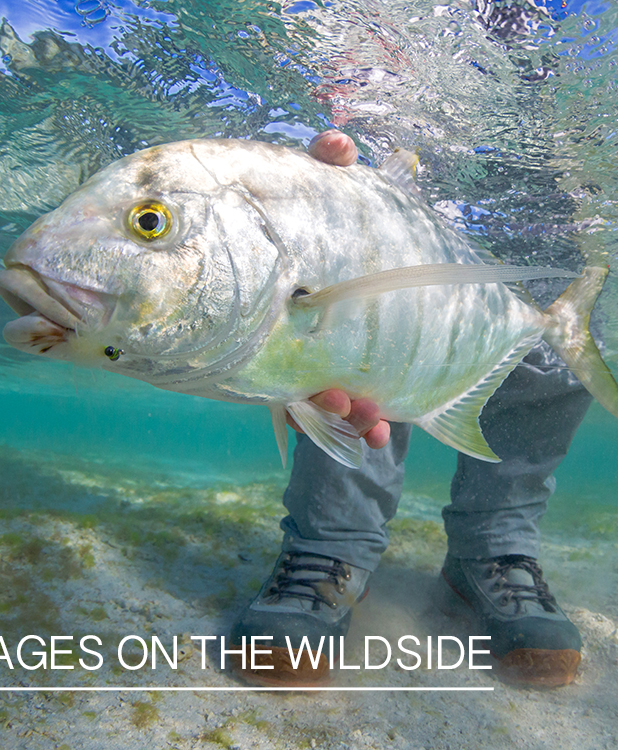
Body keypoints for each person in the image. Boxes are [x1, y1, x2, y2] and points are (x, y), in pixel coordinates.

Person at [227, 129, 591, 689]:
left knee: (545, 353)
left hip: (548, 137)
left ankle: (495, 549)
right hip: (385, 88)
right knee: (363, 322)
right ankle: (331, 544)